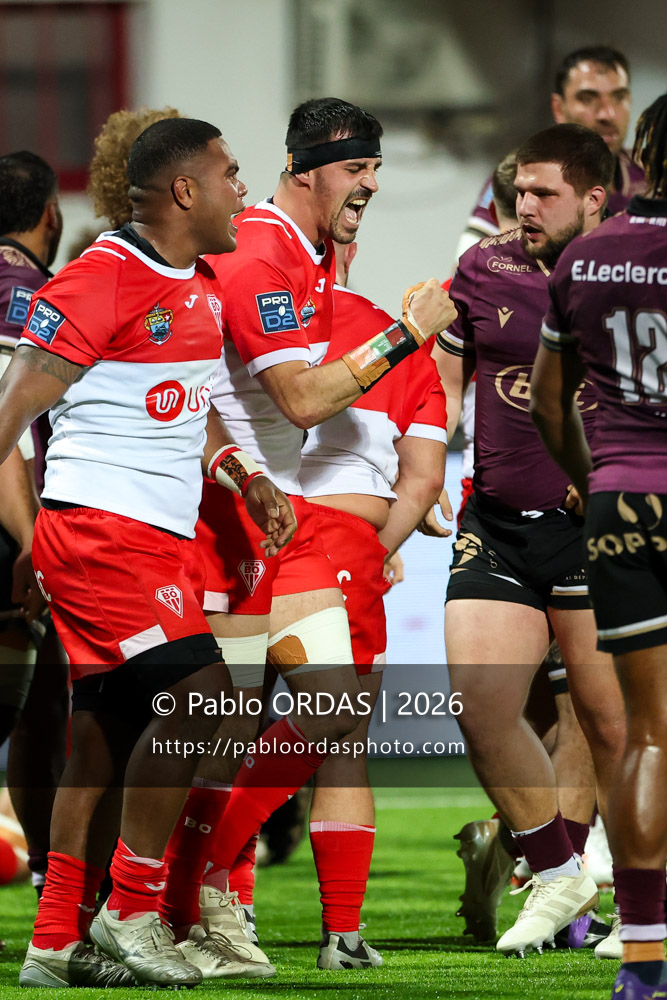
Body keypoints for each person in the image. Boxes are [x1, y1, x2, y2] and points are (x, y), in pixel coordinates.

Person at [158, 97, 455, 977]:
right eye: (356, 169)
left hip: (261, 523)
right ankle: (165, 900)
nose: (369, 185)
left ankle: (194, 902)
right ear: (307, 169)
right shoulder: (263, 250)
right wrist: (409, 337)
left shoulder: (307, 259)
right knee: (243, 724)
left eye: (373, 169)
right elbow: (297, 401)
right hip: (223, 523)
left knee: (258, 726)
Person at [0, 117, 296, 989]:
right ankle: (132, 910)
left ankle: (55, 943)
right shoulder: (100, 281)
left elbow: (186, 400)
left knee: (104, 728)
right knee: (204, 700)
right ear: (184, 191)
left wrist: (242, 471)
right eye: (231, 173)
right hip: (102, 534)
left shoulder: (196, 283)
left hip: (150, 539)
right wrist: (37, 534)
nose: (243, 189)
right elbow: (14, 414)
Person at [433, 123, 626, 957]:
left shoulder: (628, 270)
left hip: (596, 529)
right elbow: (448, 361)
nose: (525, 207)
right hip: (497, 523)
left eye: (544, 193)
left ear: (593, 197)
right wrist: (428, 448)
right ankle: (557, 874)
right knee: (480, 708)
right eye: (518, 191)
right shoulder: (486, 265)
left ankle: (642, 903)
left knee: (612, 726)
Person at [530, 93, 667, 1000]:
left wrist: (592, 473)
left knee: (646, 739)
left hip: (620, 502)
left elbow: (545, 401)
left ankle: (644, 961)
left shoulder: (585, 254)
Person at [0, 150, 69, 900]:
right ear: (51, 212)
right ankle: (62, 883)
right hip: (11, 521)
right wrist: (28, 538)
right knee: (26, 710)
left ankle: (59, 884)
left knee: (37, 711)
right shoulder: (21, 293)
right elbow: (7, 430)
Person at [460, 46, 644, 257]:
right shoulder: (519, 176)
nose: (608, 114)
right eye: (588, 98)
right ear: (558, 108)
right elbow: (464, 265)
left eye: (618, 97)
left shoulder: (653, 176)